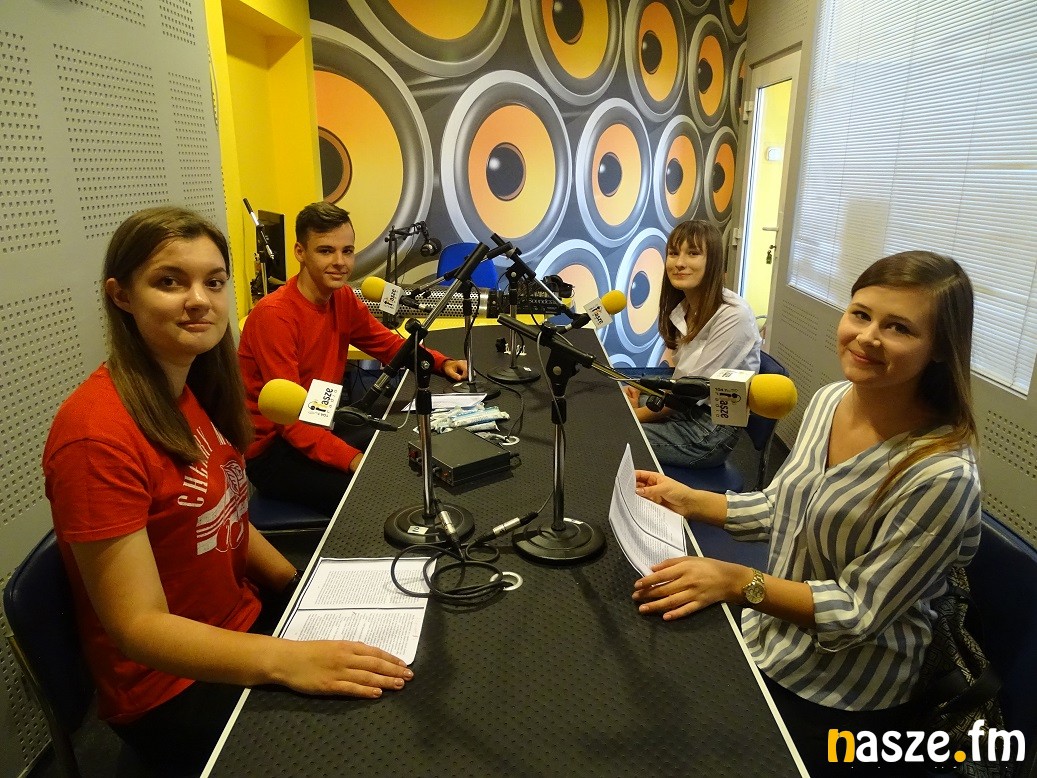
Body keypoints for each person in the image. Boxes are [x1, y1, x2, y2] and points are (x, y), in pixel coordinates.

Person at [43, 207, 413, 776]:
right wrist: (284, 660)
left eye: (213, 282)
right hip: (169, 687)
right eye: (170, 281)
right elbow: (138, 629)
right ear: (121, 296)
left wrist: (297, 587)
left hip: (242, 623)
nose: (199, 299)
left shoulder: (192, 391)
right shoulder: (96, 436)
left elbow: (228, 518)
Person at [630, 251, 980, 775]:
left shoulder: (942, 477)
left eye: (899, 328)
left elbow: (857, 612)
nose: (867, 337)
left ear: (939, 350)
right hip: (768, 632)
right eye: (861, 314)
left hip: (844, 692)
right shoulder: (833, 399)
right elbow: (783, 506)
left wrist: (737, 582)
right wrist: (686, 499)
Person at [238, 202, 467, 517]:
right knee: (376, 496)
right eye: (326, 251)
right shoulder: (274, 316)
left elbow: (387, 344)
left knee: (400, 448)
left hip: (321, 423)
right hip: (275, 451)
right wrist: (352, 460)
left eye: (347, 251)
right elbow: (291, 422)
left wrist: (440, 362)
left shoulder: (342, 297)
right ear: (300, 252)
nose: (340, 262)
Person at [624, 220, 761, 468]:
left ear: (713, 261)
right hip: (683, 409)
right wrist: (640, 399)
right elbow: (682, 382)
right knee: (618, 400)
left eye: (693, 253)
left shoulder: (734, 315)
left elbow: (691, 392)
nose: (679, 263)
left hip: (708, 430)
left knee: (616, 433)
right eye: (673, 253)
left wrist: (634, 416)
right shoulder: (685, 308)